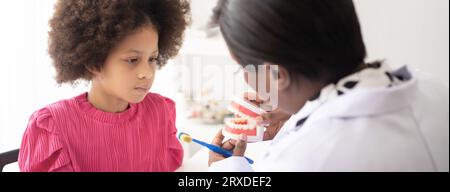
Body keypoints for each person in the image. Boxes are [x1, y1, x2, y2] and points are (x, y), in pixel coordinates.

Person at [208, 0, 449, 171]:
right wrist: (301, 114)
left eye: (243, 68)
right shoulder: (434, 91)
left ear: (277, 75)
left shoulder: (306, 158)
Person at [18, 0, 191, 172]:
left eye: (152, 59)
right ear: (95, 62)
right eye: (132, 60)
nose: (147, 72)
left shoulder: (159, 111)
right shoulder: (53, 126)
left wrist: (212, 162)